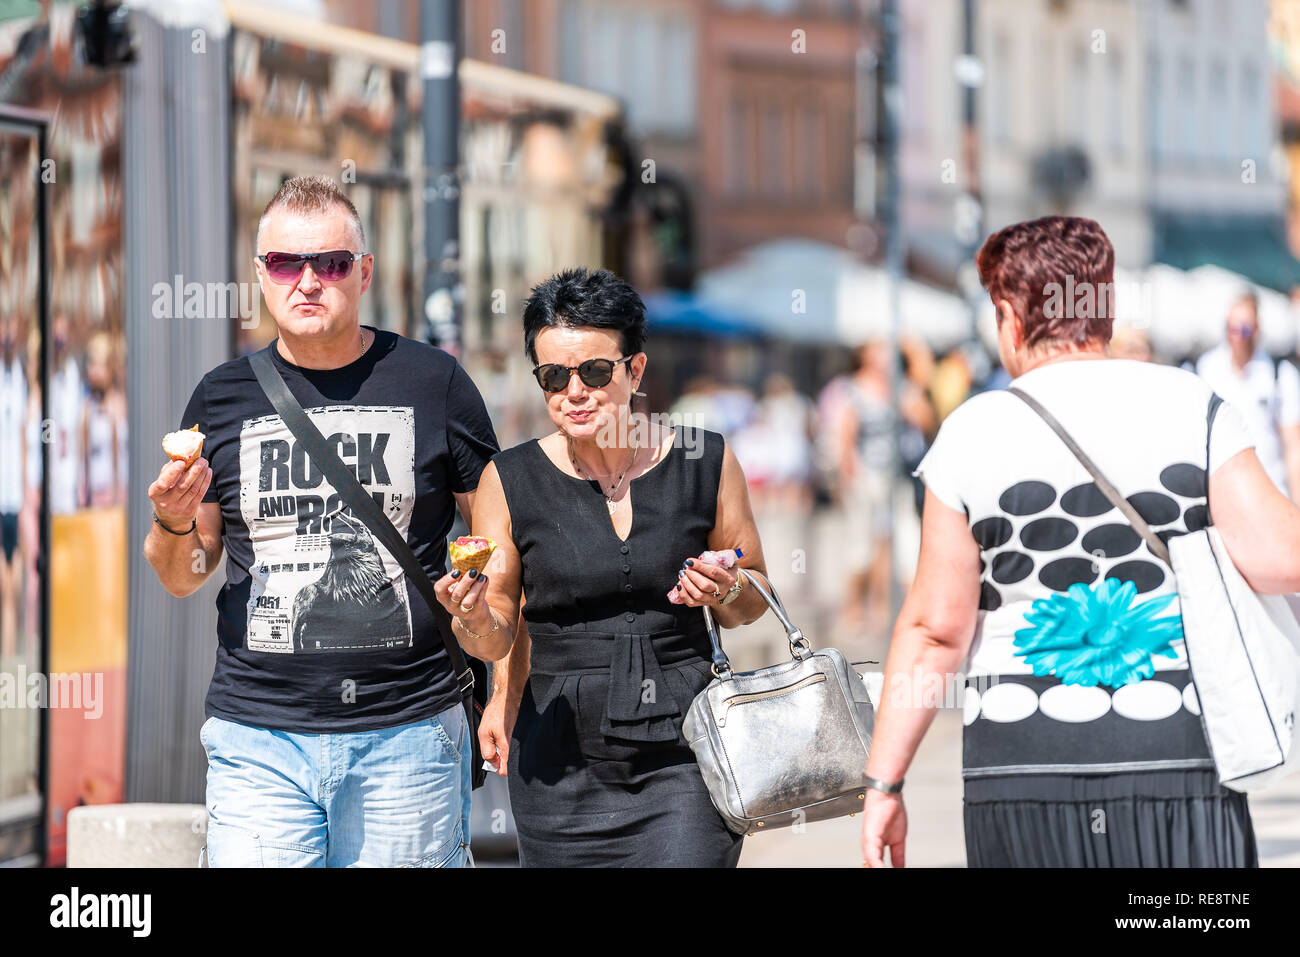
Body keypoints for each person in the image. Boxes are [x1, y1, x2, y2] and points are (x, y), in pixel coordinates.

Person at [862, 216, 1279, 868]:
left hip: (1022, 768)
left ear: (1010, 315)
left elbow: (936, 629)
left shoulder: (973, 432)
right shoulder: (1193, 404)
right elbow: (1279, 553)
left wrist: (885, 781)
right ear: (1104, 305)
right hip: (1177, 756)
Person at [145, 175, 500, 867]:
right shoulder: (218, 399)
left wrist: (493, 637)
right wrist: (173, 521)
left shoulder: (435, 382)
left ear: (363, 271)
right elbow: (183, 577)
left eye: (330, 263)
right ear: (260, 275)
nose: (307, 281)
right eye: (285, 263)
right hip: (259, 738)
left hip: (408, 734)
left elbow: (500, 537)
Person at [464, 267, 771, 866]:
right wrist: (472, 621)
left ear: (635, 370)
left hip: (686, 745)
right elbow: (498, 625)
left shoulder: (704, 461)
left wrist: (726, 587)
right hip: (559, 755)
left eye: (594, 372)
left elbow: (752, 598)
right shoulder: (508, 480)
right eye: (553, 376)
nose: (573, 392)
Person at [1194, 290, 1300, 500]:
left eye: (1243, 330)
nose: (1237, 337)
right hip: (1222, 494)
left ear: (1256, 329)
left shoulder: (1279, 373)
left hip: (1272, 492)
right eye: (1230, 329)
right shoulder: (1206, 368)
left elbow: (1293, 444)